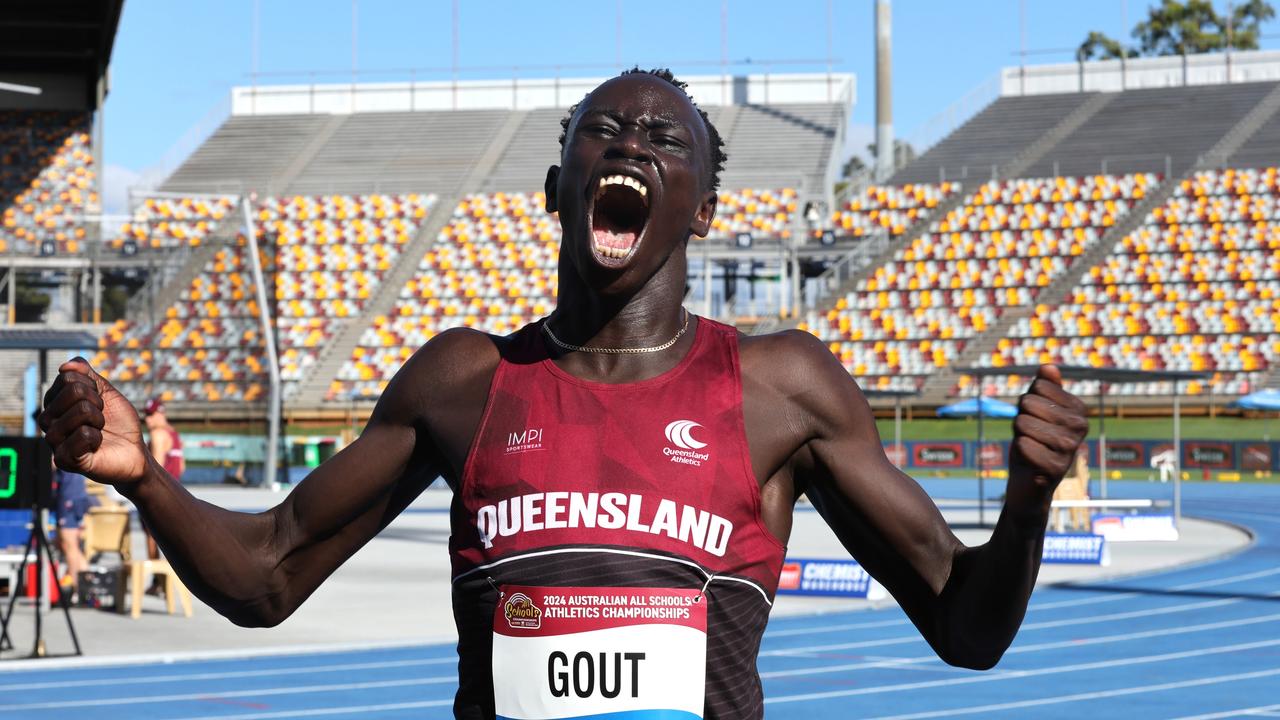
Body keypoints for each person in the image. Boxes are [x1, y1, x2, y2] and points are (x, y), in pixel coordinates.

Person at [38, 68, 1088, 719]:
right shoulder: (462, 381)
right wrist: (141, 478)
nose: (629, 141)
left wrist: (1029, 503)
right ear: (557, 190)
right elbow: (267, 577)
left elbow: (964, 629)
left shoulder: (780, 387)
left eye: (662, 138)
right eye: (601, 131)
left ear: (704, 207)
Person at [141, 398, 183, 595]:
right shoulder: (174, 434)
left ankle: (158, 582)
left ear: (160, 414)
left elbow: (154, 470)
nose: (147, 420)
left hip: (159, 496)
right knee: (170, 539)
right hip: (175, 494)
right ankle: (166, 582)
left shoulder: (157, 435)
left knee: (152, 537)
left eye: (150, 415)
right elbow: (181, 467)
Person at [53, 464, 97, 598]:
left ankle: (75, 589)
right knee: (72, 546)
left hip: (70, 496)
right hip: (75, 495)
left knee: (69, 545)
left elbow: (52, 462)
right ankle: (87, 588)